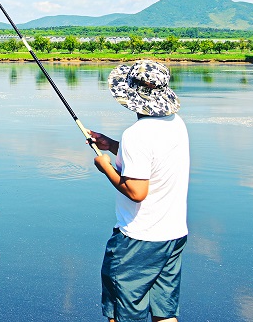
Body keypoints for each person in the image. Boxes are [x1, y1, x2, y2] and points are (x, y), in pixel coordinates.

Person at [89, 59, 190, 322]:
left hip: (138, 240)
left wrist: (106, 167)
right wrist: (111, 144)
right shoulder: (175, 123)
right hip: (173, 235)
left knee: (122, 314)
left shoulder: (137, 135)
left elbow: (137, 191)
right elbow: (152, 158)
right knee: (164, 313)